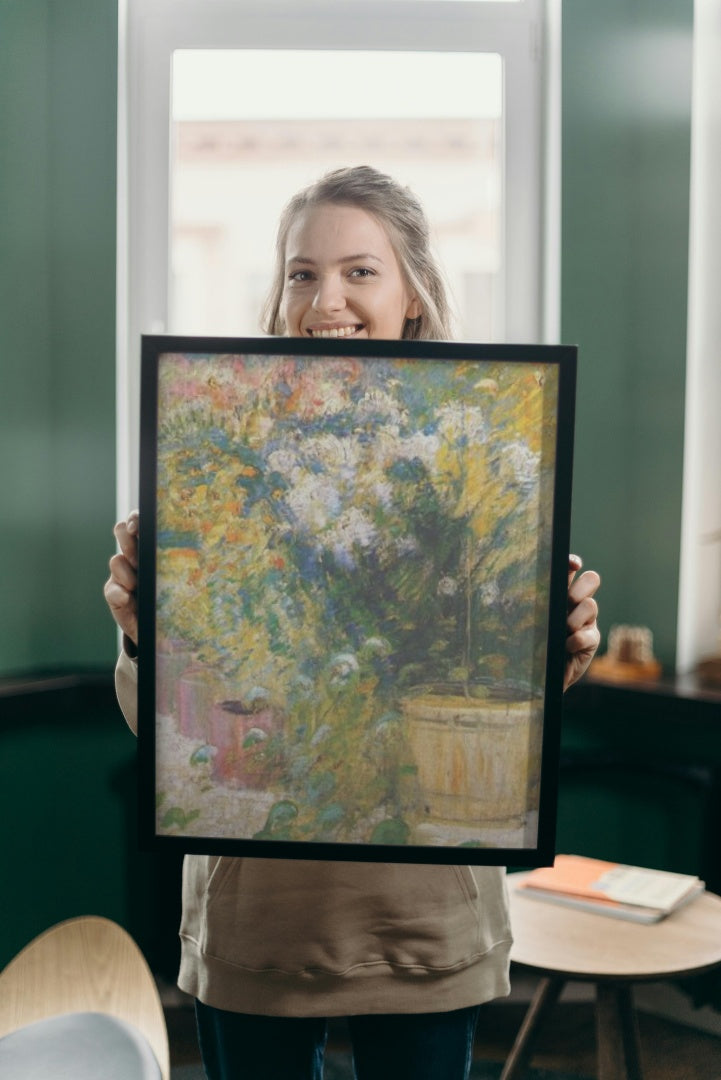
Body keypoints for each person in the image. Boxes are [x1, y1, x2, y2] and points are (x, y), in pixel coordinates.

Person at [105, 166, 601, 1080]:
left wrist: (553, 649)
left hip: (423, 921)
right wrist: (146, 635)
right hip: (258, 922)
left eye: (359, 271)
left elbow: (499, 706)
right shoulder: (215, 456)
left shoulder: (479, 447)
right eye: (301, 272)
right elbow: (174, 731)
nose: (324, 298)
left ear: (412, 292)